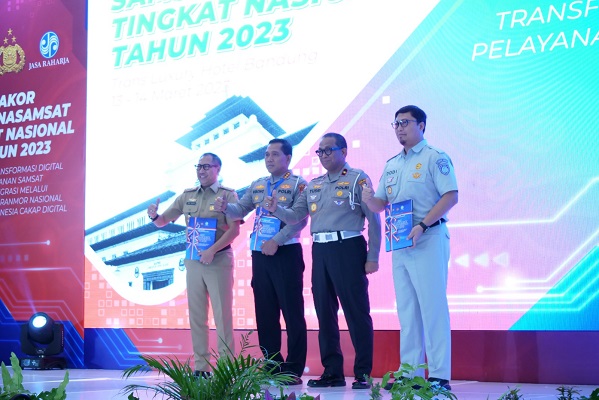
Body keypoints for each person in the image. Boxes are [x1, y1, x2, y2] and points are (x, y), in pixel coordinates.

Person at [263, 133, 381, 390]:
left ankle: (363, 373)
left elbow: (373, 219)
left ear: (344, 151)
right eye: (321, 151)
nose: (324, 155)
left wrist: (373, 256)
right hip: (320, 249)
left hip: (348, 247)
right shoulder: (314, 185)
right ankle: (333, 372)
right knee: (324, 312)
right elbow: (296, 216)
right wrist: (275, 209)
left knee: (356, 311)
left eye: (330, 150)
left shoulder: (357, 178)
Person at [362, 105, 458, 390]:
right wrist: (368, 197)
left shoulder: (435, 158)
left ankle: (440, 375)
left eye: (405, 122)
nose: (400, 128)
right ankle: (411, 373)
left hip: (428, 237)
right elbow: (381, 203)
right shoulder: (391, 164)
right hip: (401, 243)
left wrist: (424, 225)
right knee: (407, 310)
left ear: (422, 125)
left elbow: (450, 196)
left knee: (433, 308)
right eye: (396, 124)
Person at [213, 138, 308, 385]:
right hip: (259, 254)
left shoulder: (299, 185)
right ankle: (271, 365)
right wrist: (225, 208)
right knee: (265, 312)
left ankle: (293, 369)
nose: (269, 159)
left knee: (292, 312)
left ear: (287, 158)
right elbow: (239, 210)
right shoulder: (258, 185)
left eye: (275, 154)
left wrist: (277, 239)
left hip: (285, 251)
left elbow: (299, 219)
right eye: (267, 154)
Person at [147, 152, 241, 377]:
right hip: (194, 262)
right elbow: (163, 221)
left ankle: (227, 368)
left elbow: (235, 230)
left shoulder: (228, 195)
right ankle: (201, 367)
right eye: (199, 166)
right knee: (197, 316)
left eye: (207, 166)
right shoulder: (187, 195)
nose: (201, 170)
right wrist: (154, 216)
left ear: (218, 168)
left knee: (222, 316)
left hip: (218, 260)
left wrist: (212, 250)